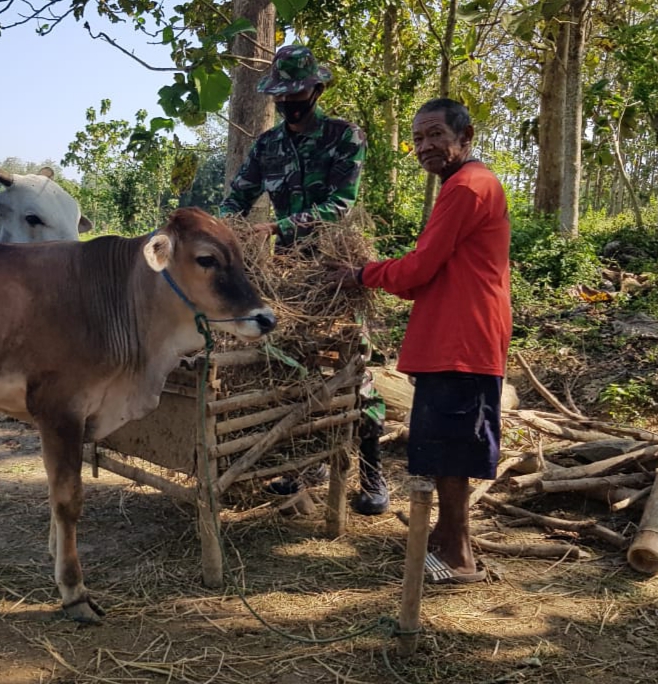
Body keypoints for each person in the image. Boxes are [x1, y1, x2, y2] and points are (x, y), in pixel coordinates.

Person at [322, 98, 512, 583]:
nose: (425, 146)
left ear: (465, 136)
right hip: (454, 337)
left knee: (451, 452)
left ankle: (457, 557)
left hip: (461, 341)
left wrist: (361, 274)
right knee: (449, 450)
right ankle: (447, 542)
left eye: (436, 136)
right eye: (419, 138)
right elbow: (422, 273)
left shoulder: (467, 187)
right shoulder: (464, 186)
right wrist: (389, 276)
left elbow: (421, 266)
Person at [218, 44, 389, 516]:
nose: (291, 102)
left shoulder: (343, 136)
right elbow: (238, 197)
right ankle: (303, 464)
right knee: (292, 362)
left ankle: (373, 473)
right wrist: (224, 232)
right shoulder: (267, 146)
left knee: (354, 365)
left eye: (299, 92)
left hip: (338, 269)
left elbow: (342, 205)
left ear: (317, 88)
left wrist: (277, 227)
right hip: (285, 274)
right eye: (283, 95)